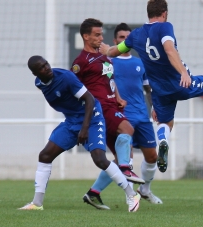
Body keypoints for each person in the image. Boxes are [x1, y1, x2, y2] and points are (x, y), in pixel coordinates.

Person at [100, 0, 203, 173]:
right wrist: (183, 72)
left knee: (165, 122)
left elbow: (115, 51)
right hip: (180, 83)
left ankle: (163, 142)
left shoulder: (135, 35)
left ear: (148, 13)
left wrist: (107, 49)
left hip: (159, 90)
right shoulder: (164, 27)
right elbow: (169, 49)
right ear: (164, 13)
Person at [18, 56, 140, 212]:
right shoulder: (39, 84)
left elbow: (89, 99)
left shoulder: (66, 77)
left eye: (46, 64)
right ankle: (37, 203)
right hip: (71, 122)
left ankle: (132, 195)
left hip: (92, 118)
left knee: (100, 159)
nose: (46, 68)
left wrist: (84, 128)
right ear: (35, 73)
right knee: (45, 156)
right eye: (41, 67)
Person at [84, 22, 162, 205]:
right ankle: (126, 196)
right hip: (121, 115)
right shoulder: (108, 61)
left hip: (142, 115)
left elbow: (148, 89)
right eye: (121, 37)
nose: (125, 40)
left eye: (128, 38)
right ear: (115, 40)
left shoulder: (140, 62)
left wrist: (154, 107)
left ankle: (144, 190)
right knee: (124, 160)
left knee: (152, 156)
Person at [71, 18, 144, 211]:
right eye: (97, 34)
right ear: (86, 36)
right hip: (101, 108)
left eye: (102, 34)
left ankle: (93, 193)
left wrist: (118, 97)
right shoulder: (80, 62)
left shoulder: (104, 56)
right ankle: (127, 175)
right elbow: (74, 88)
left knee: (122, 154)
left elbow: (110, 79)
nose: (101, 38)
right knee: (127, 129)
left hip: (114, 105)